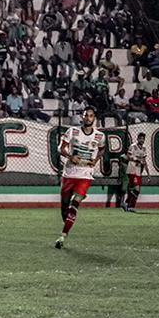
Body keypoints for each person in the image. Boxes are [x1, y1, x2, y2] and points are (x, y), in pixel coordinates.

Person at [55, 106, 104, 249]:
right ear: (82, 117)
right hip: (69, 173)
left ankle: (62, 236)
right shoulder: (72, 131)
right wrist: (70, 156)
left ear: (94, 118)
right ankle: (67, 223)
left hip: (85, 175)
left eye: (91, 115)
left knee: (74, 205)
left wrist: (95, 161)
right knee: (64, 208)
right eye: (86, 115)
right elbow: (60, 148)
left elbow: (101, 150)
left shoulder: (100, 136)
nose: (88, 118)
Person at [124, 131, 148, 212]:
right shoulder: (133, 146)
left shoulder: (144, 148)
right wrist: (137, 159)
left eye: (143, 139)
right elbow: (127, 157)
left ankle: (127, 204)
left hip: (138, 171)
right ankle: (130, 206)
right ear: (137, 139)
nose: (142, 140)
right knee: (137, 189)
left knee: (135, 190)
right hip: (132, 169)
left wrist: (148, 174)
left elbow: (144, 161)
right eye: (140, 138)